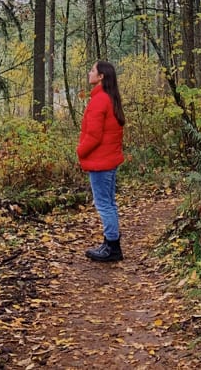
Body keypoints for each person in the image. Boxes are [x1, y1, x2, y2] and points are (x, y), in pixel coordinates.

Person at [77, 60, 126, 262]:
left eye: (92, 70)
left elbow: (94, 136)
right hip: (108, 160)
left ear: (101, 76)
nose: (89, 73)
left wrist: (80, 151)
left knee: (104, 204)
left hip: (101, 162)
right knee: (109, 203)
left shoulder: (100, 100)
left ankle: (112, 248)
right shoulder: (110, 98)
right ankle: (110, 243)